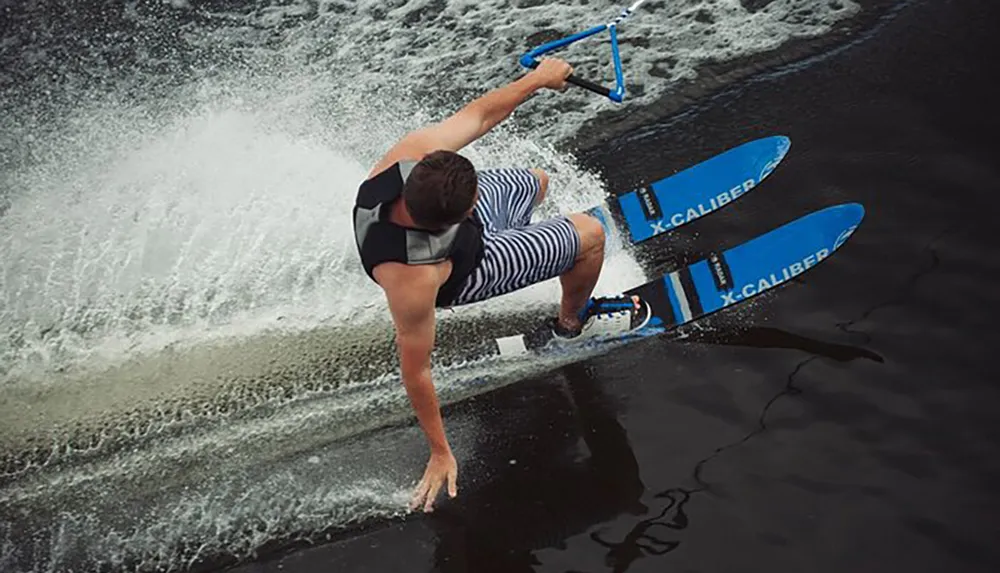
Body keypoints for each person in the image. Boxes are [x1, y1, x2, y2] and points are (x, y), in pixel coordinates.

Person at [353, 57, 649, 513]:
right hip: (469, 268)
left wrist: (537, 80)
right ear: (455, 217)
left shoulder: (410, 161)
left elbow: (480, 115)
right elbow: (416, 371)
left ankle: (542, 246)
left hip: (458, 232)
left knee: (535, 181)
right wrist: (439, 451)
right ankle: (573, 322)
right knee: (591, 236)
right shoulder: (413, 279)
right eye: (471, 201)